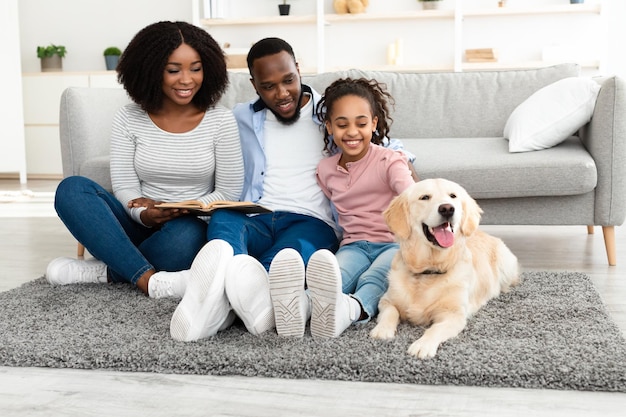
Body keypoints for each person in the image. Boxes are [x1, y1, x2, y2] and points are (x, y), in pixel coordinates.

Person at [169, 37, 415, 342]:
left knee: (288, 258)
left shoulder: (331, 111)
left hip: (310, 221)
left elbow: (380, 145)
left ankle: (227, 302)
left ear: (299, 70)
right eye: (269, 86)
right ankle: (224, 299)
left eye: (289, 80)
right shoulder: (241, 117)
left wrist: (405, 167)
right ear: (254, 85)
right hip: (256, 215)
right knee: (224, 221)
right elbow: (196, 139)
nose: (282, 93)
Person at [45, 21, 244, 300]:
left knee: (186, 239)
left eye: (196, 68)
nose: (187, 79)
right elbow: (125, 186)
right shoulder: (129, 117)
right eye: (173, 70)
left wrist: (188, 208)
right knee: (72, 189)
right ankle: (149, 280)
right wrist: (145, 214)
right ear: (151, 70)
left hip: (189, 226)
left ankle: (107, 271)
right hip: (137, 223)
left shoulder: (220, 120)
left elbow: (229, 191)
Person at [306, 77, 415, 338]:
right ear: (330, 127)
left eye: (361, 123)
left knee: (376, 278)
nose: (352, 132)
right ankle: (301, 306)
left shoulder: (390, 161)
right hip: (354, 244)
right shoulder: (325, 170)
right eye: (342, 124)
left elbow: (413, 197)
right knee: (336, 277)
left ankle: (352, 310)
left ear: (374, 124)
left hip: (393, 243)